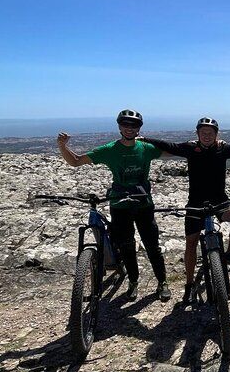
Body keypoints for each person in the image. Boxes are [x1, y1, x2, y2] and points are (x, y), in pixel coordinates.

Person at [141, 117, 230, 303]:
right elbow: (169, 146)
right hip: (196, 202)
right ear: (197, 133)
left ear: (217, 134)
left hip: (220, 201)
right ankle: (189, 284)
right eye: (203, 132)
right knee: (191, 243)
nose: (207, 136)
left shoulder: (223, 149)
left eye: (210, 133)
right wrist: (145, 140)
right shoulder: (190, 148)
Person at [57, 109, 170, 302]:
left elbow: (176, 152)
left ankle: (162, 282)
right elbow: (76, 162)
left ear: (139, 129)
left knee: (152, 246)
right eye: (126, 125)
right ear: (119, 126)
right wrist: (62, 146)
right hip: (120, 205)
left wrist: (199, 144)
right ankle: (133, 281)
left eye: (133, 125)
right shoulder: (110, 150)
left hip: (143, 204)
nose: (129, 128)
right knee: (127, 246)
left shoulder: (146, 148)